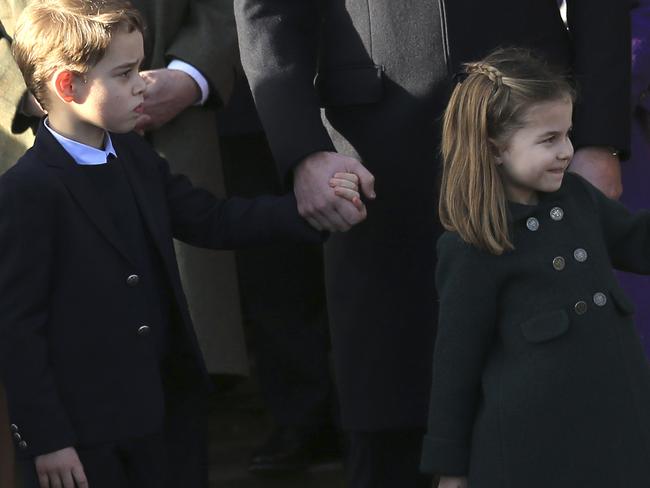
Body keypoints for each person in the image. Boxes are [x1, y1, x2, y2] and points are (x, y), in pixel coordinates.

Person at [234, 1, 631, 486]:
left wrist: (598, 140)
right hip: (374, 155)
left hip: (529, 131)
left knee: (550, 395)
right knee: (392, 413)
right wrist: (303, 149)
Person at [0, 1, 365, 487]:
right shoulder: (25, 191)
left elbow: (212, 219)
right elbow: (18, 329)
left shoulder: (133, 156)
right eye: (127, 73)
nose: (142, 84)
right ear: (70, 85)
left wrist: (308, 211)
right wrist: (48, 441)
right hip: (84, 445)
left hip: (164, 424)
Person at [421, 48, 650, 488]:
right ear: (494, 147)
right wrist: (450, 469)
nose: (566, 151)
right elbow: (455, 367)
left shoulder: (581, 201)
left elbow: (639, 242)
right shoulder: (472, 246)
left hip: (619, 435)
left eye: (568, 134)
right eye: (549, 140)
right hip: (534, 456)